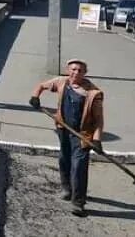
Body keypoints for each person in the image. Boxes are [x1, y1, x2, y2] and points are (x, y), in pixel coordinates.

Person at [29, 59, 104, 217]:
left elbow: (99, 120)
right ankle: (67, 189)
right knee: (64, 159)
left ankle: (78, 203)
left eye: (80, 70)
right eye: (73, 69)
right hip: (63, 129)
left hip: (83, 135)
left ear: (85, 73)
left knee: (79, 168)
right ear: (68, 70)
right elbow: (41, 85)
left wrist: (97, 140)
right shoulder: (62, 82)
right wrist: (35, 97)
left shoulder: (93, 93)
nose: (76, 73)